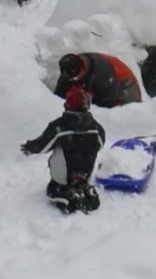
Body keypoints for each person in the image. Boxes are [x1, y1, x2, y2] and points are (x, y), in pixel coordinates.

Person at [21, 86, 105, 214]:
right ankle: (82, 187)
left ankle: (65, 196)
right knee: (85, 156)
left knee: (52, 189)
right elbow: (100, 144)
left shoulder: (60, 126)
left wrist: (28, 147)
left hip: (64, 175)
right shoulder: (95, 126)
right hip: (85, 172)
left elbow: (43, 146)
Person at [54, 51, 144, 108]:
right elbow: (59, 96)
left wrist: (87, 102)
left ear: (82, 70)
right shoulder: (69, 71)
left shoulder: (102, 72)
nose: (72, 80)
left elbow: (108, 101)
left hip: (124, 86)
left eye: (74, 78)